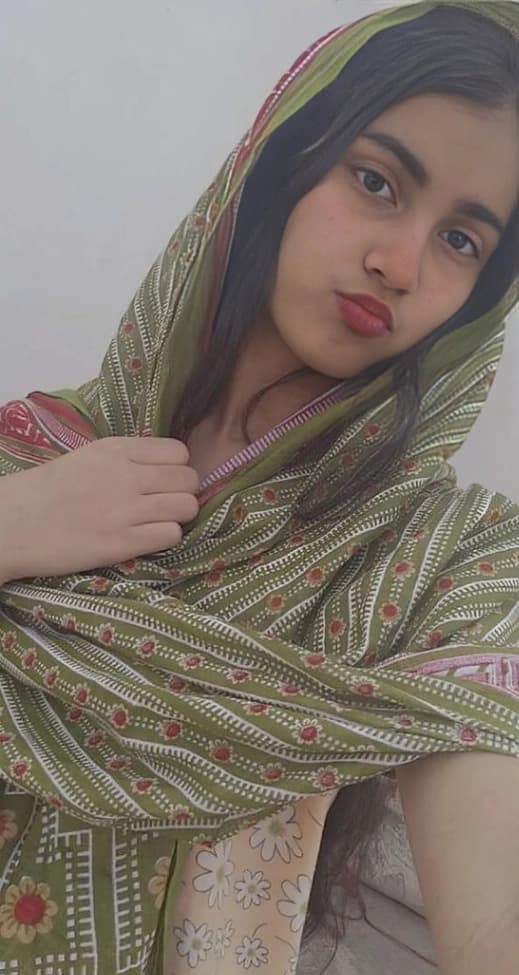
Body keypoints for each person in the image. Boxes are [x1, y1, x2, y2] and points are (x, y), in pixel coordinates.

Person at [0, 1, 517, 973]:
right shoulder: (35, 449)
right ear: (279, 164)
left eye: (462, 241)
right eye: (376, 181)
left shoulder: (436, 554)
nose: (400, 264)